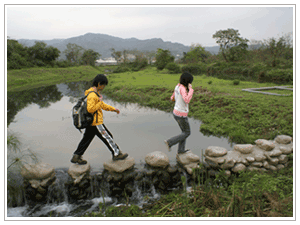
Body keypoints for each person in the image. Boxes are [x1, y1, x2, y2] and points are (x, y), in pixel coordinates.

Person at [71, 74, 128, 165]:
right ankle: (117, 154)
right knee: (108, 137)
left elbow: (102, 105)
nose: (104, 87)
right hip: (96, 122)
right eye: (103, 85)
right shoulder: (93, 95)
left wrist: (113, 109)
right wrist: (99, 102)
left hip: (92, 123)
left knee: (86, 140)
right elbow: (90, 109)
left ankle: (76, 156)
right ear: (98, 84)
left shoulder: (94, 94)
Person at [165, 72, 194, 154]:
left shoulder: (177, 86)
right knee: (187, 132)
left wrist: (178, 99)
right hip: (181, 114)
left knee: (183, 133)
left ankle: (181, 150)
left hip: (176, 113)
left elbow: (172, 98)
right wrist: (191, 91)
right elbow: (187, 100)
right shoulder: (182, 89)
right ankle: (170, 142)